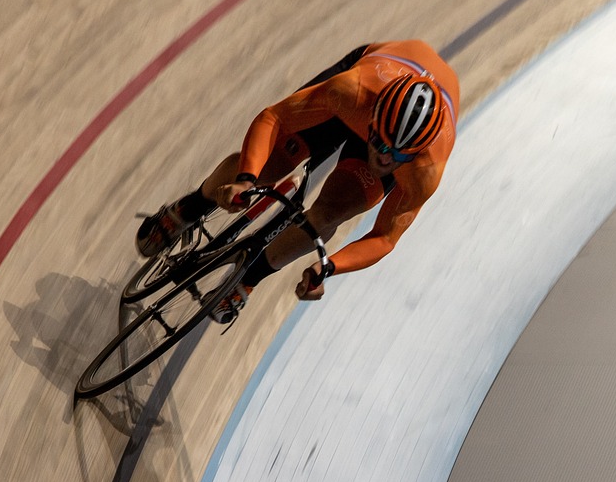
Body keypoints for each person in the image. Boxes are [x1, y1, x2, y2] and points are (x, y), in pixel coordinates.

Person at [136, 40, 460, 323]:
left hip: (387, 117)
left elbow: (385, 238)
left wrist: (328, 267)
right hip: (364, 87)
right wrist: (246, 179)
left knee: (332, 212)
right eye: (379, 142)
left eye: (397, 155)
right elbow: (274, 117)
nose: (383, 157)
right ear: (373, 119)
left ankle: (249, 279)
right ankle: (189, 208)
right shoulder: (351, 90)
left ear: (415, 153)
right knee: (270, 165)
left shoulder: (425, 170)